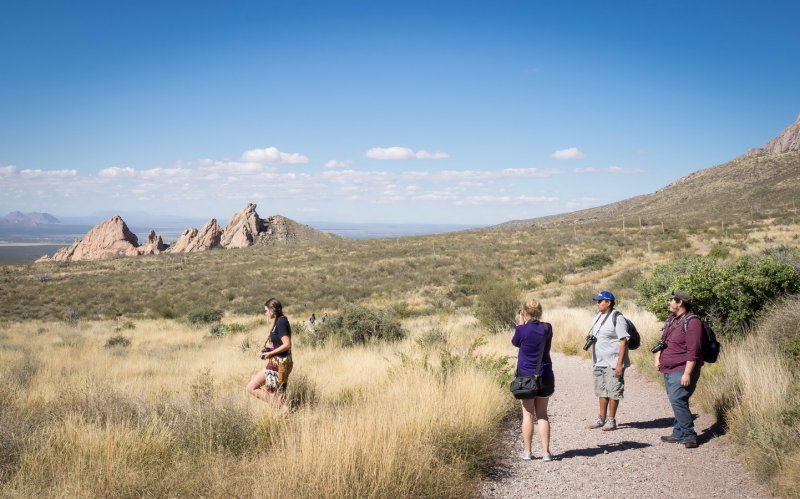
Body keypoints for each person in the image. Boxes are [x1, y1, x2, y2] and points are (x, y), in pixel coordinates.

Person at [655, 290, 703, 448]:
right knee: (677, 401)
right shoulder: (672, 319)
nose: (669, 303)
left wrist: (688, 373)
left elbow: (693, 351)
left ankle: (689, 435)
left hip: (681, 369)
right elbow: (663, 340)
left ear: (680, 302)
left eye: (672, 300)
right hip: (668, 369)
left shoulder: (693, 322)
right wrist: (657, 358)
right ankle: (678, 433)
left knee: (678, 400)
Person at [511, 299, 555, 461]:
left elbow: (516, 343)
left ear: (525, 312)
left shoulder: (522, 330)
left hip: (525, 377)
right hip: (545, 375)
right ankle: (546, 452)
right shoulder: (547, 328)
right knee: (542, 415)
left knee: (528, 415)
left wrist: (520, 325)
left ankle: (528, 452)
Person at [585, 291, 630, 431]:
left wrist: (619, 365)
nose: (598, 303)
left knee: (613, 391)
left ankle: (611, 420)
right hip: (599, 361)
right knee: (601, 391)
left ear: (608, 302)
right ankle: (601, 418)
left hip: (613, 362)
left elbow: (623, 341)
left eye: (600, 301)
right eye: (597, 301)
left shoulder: (618, 318)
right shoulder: (597, 316)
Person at [246, 298, 293, 408]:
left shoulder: (281, 322)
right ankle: (282, 413)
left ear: (272, 310)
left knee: (251, 387)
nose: (265, 313)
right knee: (279, 393)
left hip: (279, 363)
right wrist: (269, 350)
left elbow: (287, 344)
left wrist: (270, 354)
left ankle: (282, 408)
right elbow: (280, 344)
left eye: (266, 310)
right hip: (282, 362)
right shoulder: (280, 320)